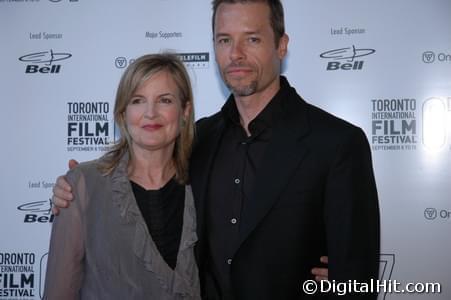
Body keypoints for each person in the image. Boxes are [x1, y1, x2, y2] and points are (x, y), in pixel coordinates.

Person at [52, 0, 379, 299]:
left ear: (281, 45)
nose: (235, 54)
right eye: (224, 40)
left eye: (251, 39)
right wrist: (77, 187)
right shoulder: (198, 139)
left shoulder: (337, 144)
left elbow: (357, 280)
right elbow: (143, 172)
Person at [44, 53, 201, 299]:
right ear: (122, 113)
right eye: (138, 100)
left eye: (165, 100)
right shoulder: (83, 186)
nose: (150, 113)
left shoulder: (205, 181)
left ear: (185, 111)